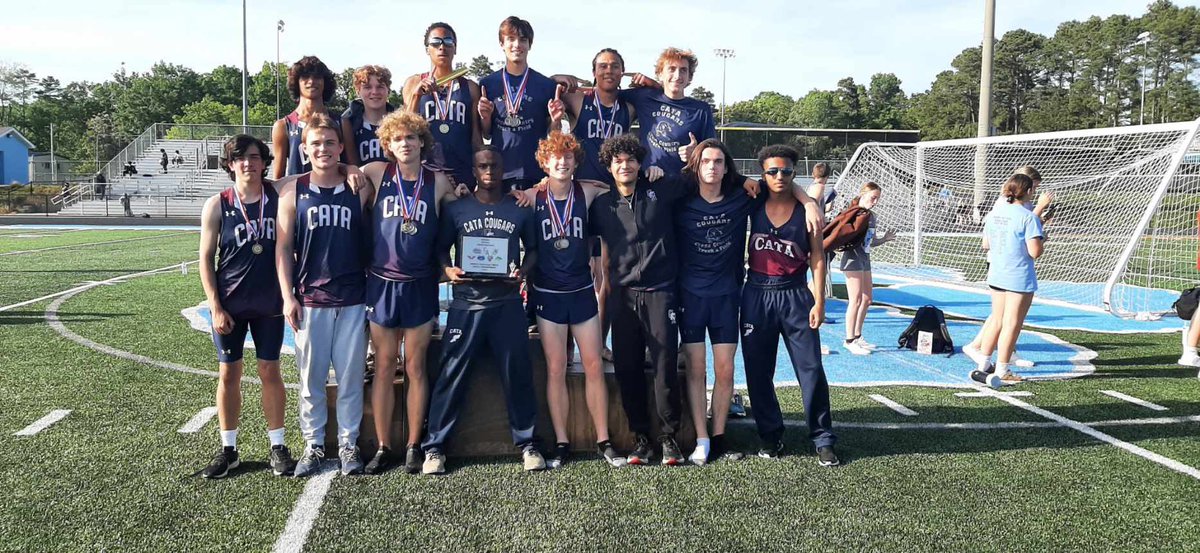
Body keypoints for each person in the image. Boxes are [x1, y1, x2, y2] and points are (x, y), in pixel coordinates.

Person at [671, 138, 821, 464]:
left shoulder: (743, 197)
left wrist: (809, 200)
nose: (712, 167)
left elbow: (781, 184)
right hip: (691, 297)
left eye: (718, 161)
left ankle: (719, 435)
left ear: (727, 168)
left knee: (725, 372)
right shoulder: (680, 200)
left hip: (728, 296)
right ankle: (701, 439)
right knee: (697, 370)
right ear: (696, 166)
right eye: (706, 161)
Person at [421, 146, 545, 475]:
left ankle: (528, 442)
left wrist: (524, 271)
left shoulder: (519, 209)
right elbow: (439, 251)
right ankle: (435, 447)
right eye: (482, 166)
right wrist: (447, 271)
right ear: (474, 171)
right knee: (451, 374)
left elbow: (532, 250)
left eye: (494, 165)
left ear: (503, 169)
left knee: (517, 374)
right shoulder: (457, 209)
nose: (488, 170)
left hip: (506, 303)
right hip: (467, 304)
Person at [356, 111, 464, 475]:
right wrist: (347, 171)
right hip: (382, 281)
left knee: (416, 366)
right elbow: (342, 170)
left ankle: (414, 444)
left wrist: (464, 194)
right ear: (388, 144)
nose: (405, 143)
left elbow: (460, 214)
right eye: (398, 138)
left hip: (419, 283)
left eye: (412, 138)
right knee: (385, 365)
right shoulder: (374, 172)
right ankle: (385, 445)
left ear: (422, 143)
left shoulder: (438, 182)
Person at [275, 113, 372, 477]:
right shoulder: (293, 190)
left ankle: (348, 444)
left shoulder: (358, 185)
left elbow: (382, 167)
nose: (323, 149)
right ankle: (313, 444)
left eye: (330, 142)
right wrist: (288, 296)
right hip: (311, 298)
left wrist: (351, 167)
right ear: (304, 149)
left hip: (352, 296)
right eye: (315, 143)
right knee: (310, 380)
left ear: (341, 147)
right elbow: (283, 249)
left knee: (350, 378)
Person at [196, 134, 294, 479]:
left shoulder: (278, 192)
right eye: (240, 158)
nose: (248, 163)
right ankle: (229, 449)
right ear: (230, 164)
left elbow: (315, 171)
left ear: (264, 160)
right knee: (229, 373)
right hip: (231, 304)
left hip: (269, 303)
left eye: (254, 157)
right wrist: (215, 306)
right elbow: (205, 260)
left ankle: (278, 445)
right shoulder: (217, 204)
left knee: (270, 371)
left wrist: (347, 167)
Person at [587, 133, 688, 465]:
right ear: (609, 167)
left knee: (664, 364)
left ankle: (669, 437)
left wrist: (690, 156)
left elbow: (703, 176)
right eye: (618, 161)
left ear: (640, 163)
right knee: (627, 367)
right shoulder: (601, 206)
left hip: (661, 291)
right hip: (623, 296)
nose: (625, 165)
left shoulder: (661, 189)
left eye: (630, 159)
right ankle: (641, 437)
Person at [524, 132, 619, 468]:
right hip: (548, 294)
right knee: (556, 368)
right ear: (545, 163)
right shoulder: (532, 196)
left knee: (593, 365)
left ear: (575, 162)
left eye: (568, 157)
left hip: (581, 292)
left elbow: (617, 185)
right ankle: (562, 441)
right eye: (555, 158)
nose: (562, 163)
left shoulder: (587, 190)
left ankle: (603, 439)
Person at [741, 144, 839, 467]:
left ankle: (822, 437)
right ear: (763, 174)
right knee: (757, 372)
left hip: (796, 295)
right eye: (772, 171)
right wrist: (807, 196)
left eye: (786, 171)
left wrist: (820, 299)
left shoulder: (806, 212)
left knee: (810, 369)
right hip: (756, 293)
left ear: (794, 173)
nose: (779, 176)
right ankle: (771, 434)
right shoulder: (752, 201)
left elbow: (818, 257)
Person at [964, 166, 1052, 368]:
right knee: (1011, 324)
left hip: (997, 272)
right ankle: (1003, 368)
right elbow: (1034, 252)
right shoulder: (1028, 216)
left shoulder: (996, 213)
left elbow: (986, 244)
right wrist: (1041, 238)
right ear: (1029, 191)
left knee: (996, 319)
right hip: (1017, 275)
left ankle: (984, 364)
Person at [477, 16, 558, 191]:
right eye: (511, 39)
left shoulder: (546, 85)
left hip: (536, 172)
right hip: (499, 172)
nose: (517, 45)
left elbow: (552, 134)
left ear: (530, 44)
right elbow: (486, 133)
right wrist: (485, 117)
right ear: (501, 43)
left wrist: (556, 120)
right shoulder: (487, 84)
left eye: (523, 40)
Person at [403, 22, 481, 189]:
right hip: (425, 170)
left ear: (455, 48)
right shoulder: (413, 83)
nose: (442, 47)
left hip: (461, 172)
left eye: (448, 41)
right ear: (427, 49)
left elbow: (475, 136)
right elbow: (404, 128)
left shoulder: (471, 87)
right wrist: (417, 95)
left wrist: (479, 171)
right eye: (436, 42)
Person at [619, 48, 715, 177]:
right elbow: (606, 93)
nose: (677, 75)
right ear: (660, 74)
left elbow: (714, 152)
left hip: (684, 186)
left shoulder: (701, 110)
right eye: (672, 69)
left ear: (689, 77)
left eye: (683, 70)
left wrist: (696, 153)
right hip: (649, 181)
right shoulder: (644, 97)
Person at [840, 183, 897, 355]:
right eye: (873, 197)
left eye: (878, 198)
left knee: (866, 299)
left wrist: (884, 239)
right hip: (852, 260)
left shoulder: (871, 216)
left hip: (865, 259)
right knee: (855, 300)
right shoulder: (854, 213)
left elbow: (870, 242)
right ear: (863, 194)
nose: (875, 201)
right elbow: (841, 232)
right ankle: (849, 340)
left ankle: (857, 336)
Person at [272, 56, 341, 179]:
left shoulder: (341, 122)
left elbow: (352, 166)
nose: (311, 81)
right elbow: (278, 178)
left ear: (325, 82)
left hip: (335, 195)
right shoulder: (283, 126)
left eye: (317, 77)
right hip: (298, 195)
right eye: (305, 77)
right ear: (296, 82)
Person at [342, 65, 396, 166]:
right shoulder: (348, 124)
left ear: (388, 90)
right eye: (367, 87)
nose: (375, 92)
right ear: (358, 91)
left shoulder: (399, 124)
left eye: (380, 87)